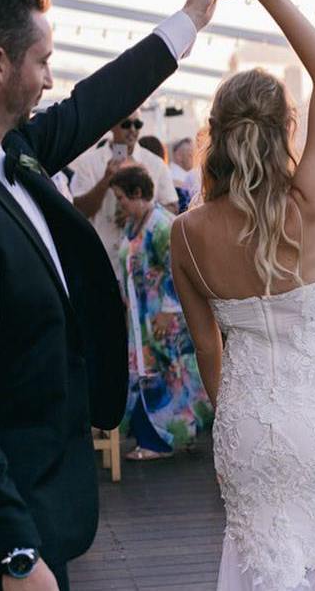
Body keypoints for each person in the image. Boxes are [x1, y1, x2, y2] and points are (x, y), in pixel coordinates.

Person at [0, 0, 225, 591]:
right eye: (42, 61)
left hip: (45, 493)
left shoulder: (4, 150)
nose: (49, 80)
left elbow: (91, 104)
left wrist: (190, 19)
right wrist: (14, 550)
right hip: (7, 519)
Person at [171, 0, 315, 589]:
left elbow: (208, 348)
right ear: (284, 130)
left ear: (215, 135)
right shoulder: (308, 200)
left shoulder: (185, 235)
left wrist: (241, 412)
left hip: (248, 426)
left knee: (261, 564)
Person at [110, 166, 212, 460]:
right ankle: (168, 436)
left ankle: (161, 439)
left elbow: (173, 268)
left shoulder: (161, 225)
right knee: (155, 374)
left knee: (170, 376)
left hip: (163, 319)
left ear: (137, 193)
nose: (120, 205)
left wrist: (168, 310)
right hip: (141, 319)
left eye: (121, 198)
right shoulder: (135, 224)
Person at [70, 110, 179, 274]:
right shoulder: (89, 163)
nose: (133, 129)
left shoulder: (155, 163)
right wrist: (105, 180)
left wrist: (142, 214)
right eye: (126, 124)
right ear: (111, 126)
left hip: (143, 266)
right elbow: (78, 211)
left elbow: (172, 207)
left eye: (138, 124)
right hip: (100, 262)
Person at [170, 136, 201, 211]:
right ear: (178, 156)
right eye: (190, 155)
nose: (195, 158)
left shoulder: (189, 174)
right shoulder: (176, 176)